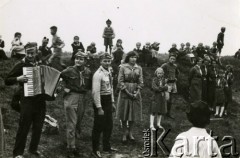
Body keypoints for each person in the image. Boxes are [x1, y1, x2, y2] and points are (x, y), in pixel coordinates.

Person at [5, 44, 46, 158]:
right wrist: (18, 78)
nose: (30, 55)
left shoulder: (41, 64)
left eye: (32, 53)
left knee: (38, 127)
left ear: (36, 52)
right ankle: (17, 153)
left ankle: (33, 149)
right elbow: (7, 80)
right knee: (24, 127)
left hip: (40, 100)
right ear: (25, 52)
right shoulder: (21, 65)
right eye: (28, 52)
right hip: (27, 100)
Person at [61, 52, 92, 158]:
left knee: (78, 123)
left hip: (82, 98)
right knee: (71, 123)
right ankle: (71, 147)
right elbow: (58, 78)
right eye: (77, 58)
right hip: (71, 97)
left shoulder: (88, 72)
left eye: (81, 59)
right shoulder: (69, 70)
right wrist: (63, 88)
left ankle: (73, 143)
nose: (78, 60)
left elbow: (90, 85)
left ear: (85, 61)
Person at [91, 52, 117, 158]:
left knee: (109, 125)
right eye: (104, 61)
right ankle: (95, 149)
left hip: (107, 100)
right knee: (98, 126)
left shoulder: (108, 71)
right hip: (100, 101)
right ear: (100, 61)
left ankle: (106, 146)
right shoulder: (98, 74)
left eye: (108, 61)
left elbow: (110, 88)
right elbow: (95, 92)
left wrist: (112, 102)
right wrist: (99, 107)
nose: (107, 63)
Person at [116, 51, 143, 143]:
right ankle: (124, 133)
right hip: (125, 92)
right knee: (124, 113)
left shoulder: (139, 68)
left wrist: (137, 92)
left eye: (135, 57)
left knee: (133, 113)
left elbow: (141, 82)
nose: (133, 59)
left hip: (135, 92)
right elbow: (120, 81)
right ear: (128, 58)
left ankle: (130, 133)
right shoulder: (123, 67)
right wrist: (127, 92)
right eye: (131, 57)